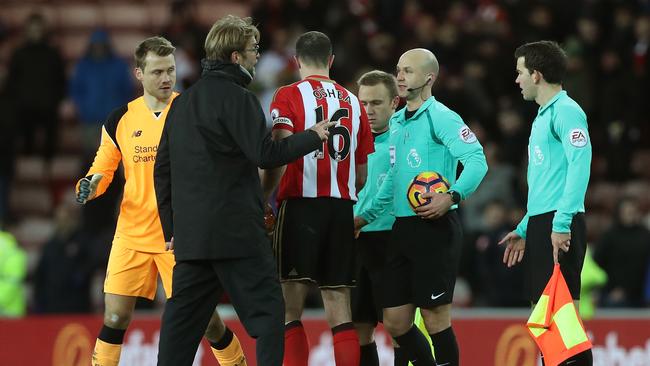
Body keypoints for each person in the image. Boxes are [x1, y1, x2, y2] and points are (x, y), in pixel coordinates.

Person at [153, 16, 333, 366]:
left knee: (179, 328)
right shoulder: (241, 99)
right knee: (269, 315)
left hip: (192, 238)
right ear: (236, 57)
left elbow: (162, 171)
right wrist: (313, 136)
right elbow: (266, 156)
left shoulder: (181, 104)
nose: (256, 56)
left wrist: (172, 227)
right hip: (237, 234)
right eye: (253, 50)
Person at [75, 36, 246, 366]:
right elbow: (103, 168)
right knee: (114, 318)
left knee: (208, 322)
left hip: (179, 236)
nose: (166, 78)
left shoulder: (192, 111)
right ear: (139, 73)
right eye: (157, 72)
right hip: (132, 233)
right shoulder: (119, 119)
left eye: (170, 70)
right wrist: (89, 185)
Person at [355, 48, 488, 366]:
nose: (399, 75)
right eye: (398, 70)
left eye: (408, 71)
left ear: (429, 77)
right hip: (402, 228)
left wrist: (452, 196)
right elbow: (392, 182)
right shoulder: (397, 122)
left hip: (435, 228)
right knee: (396, 322)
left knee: (434, 318)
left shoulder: (441, 117)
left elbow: (476, 160)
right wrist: (363, 218)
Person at [268, 31, 374, 366]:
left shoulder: (287, 96)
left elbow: (282, 151)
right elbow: (361, 174)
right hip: (341, 208)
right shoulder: (354, 101)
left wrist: (264, 200)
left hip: (301, 204)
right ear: (331, 60)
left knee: (288, 306)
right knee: (339, 305)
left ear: (297, 61)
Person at [499, 40, 593, 366]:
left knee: (562, 326)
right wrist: (526, 227)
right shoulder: (543, 116)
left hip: (558, 223)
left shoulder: (566, 112)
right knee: (546, 327)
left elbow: (580, 166)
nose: (517, 80)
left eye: (520, 72)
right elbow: (545, 184)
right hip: (543, 222)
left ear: (536, 74)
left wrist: (562, 223)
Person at [351, 70, 404, 366]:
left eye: (376, 103)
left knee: (397, 326)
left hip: (392, 240)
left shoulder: (404, 138)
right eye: (363, 103)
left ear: (394, 102)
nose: (368, 111)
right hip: (356, 239)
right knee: (360, 327)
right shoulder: (348, 142)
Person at [6, 12, 65, 161]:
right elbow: (12, 81)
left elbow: (60, 79)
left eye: (38, 29)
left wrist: (56, 99)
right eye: (32, 29)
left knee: (50, 148)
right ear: (27, 30)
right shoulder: (19, 53)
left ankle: (48, 169)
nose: (35, 32)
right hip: (25, 107)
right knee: (26, 148)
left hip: (48, 106)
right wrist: (17, 101)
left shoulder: (53, 53)